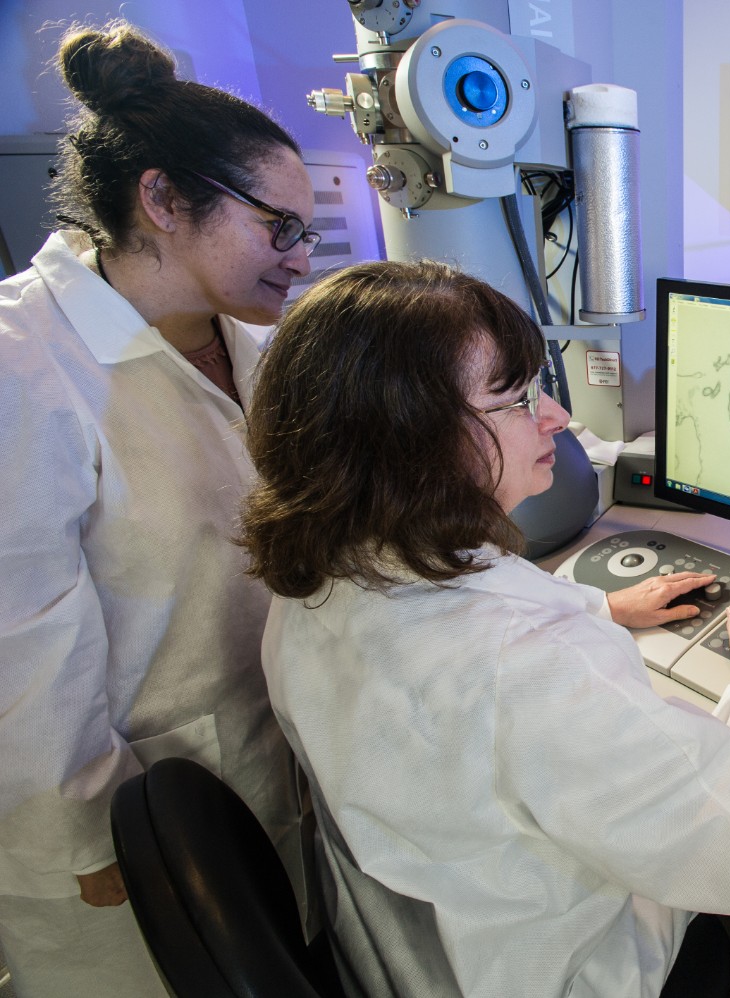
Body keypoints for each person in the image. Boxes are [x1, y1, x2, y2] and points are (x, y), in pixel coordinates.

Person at [240, 259, 730, 997]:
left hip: (407, 956)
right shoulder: (527, 665)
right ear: (409, 440)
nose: (556, 419)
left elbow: (462, 672)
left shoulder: (319, 574)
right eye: (513, 399)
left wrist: (600, 609)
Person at [0, 21, 318, 996]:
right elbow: (21, 652)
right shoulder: (24, 365)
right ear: (164, 200)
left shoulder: (254, 342)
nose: (302, 258)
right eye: (282, 227)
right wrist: (85, 846)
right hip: (121, 848)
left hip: (276, 776)